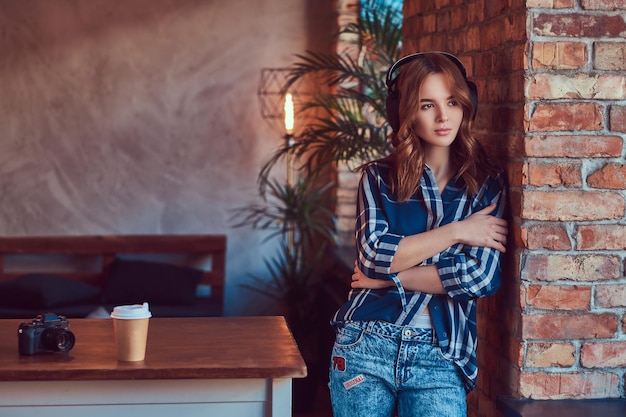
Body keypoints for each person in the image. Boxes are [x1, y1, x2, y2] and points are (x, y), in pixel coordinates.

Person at [328, 52, 509, 417]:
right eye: (428, 105)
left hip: (441, 355)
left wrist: (391, 279)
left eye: (452, 102)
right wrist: (459, 231)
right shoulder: (377, 179)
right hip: (366, 343)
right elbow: (374, 256)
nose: (444, 117)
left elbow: (481, 277)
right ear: (406, 112)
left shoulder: (486, 185)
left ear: (466, 104)